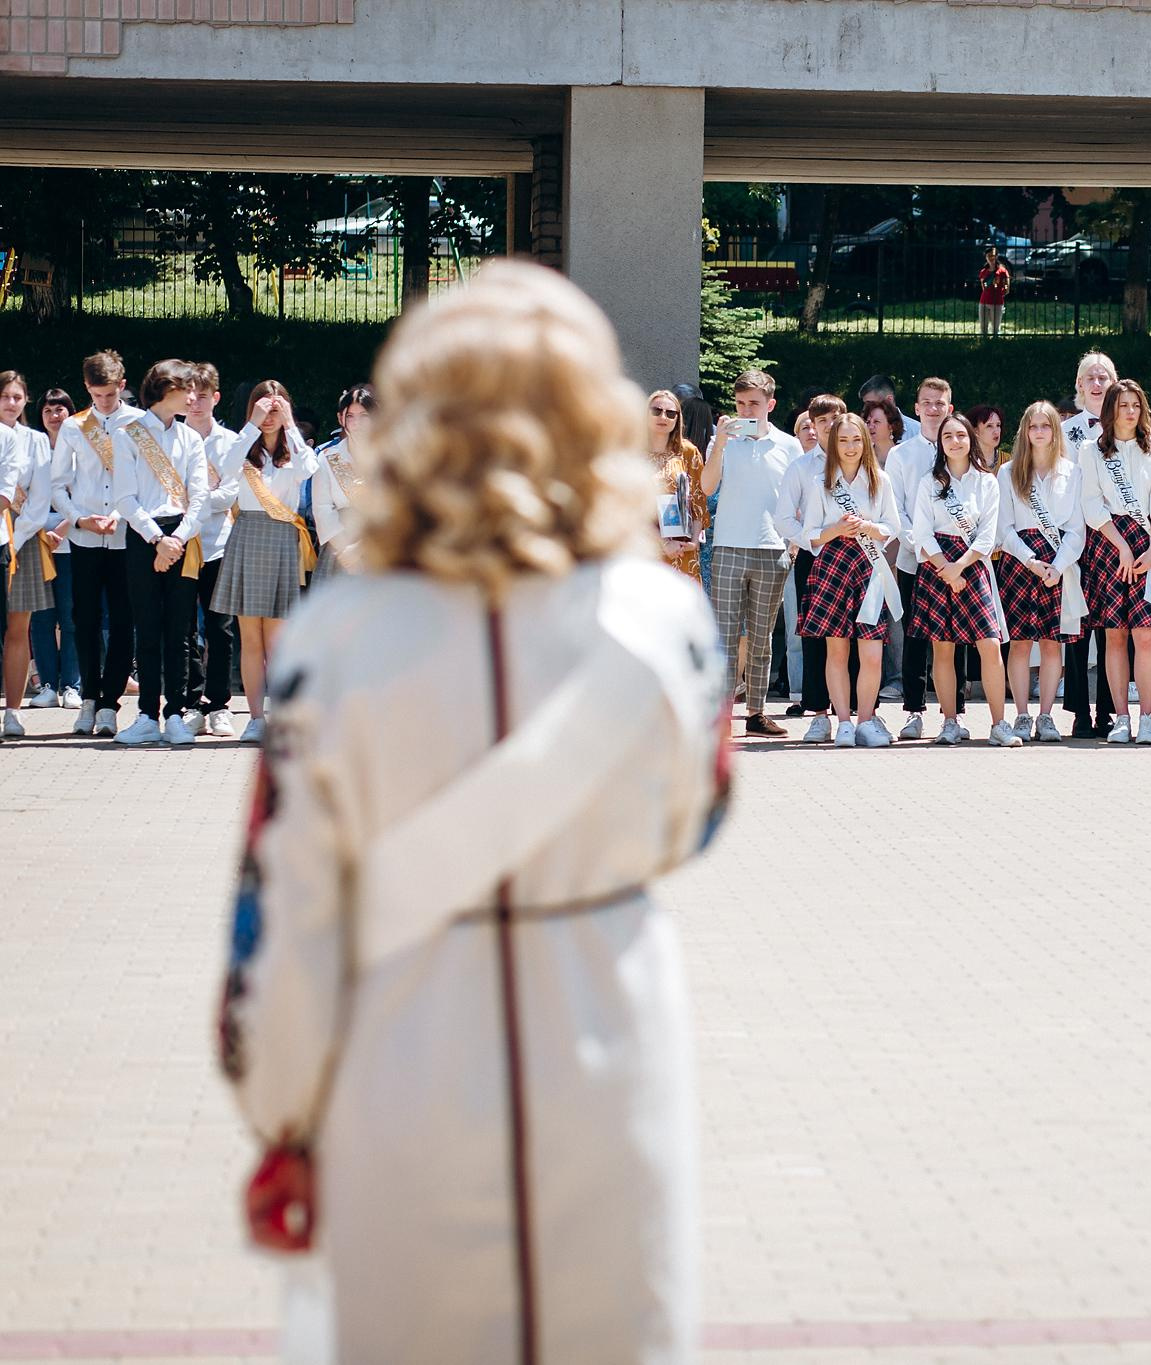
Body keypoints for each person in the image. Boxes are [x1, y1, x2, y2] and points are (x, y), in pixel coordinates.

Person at [217, 262, 729, 1364]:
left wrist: (279, 1116)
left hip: (401, 1058)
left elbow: (284, 915)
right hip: (611, 1037)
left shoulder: (335, 639)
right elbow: (699, 818)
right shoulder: (669, 620)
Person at [211, 382, 319, 745]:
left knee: (277, 638)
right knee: (249, 637)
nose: (270, 416)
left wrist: (290, 424)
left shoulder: (295, 450)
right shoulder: (242, 446)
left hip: (281, 538)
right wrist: (253, 424)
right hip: (247, 535)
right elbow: (225, 467)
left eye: (276, 409)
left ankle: (283, 715)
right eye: (264, 409)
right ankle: (255, 717)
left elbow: (309, 468)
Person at [109, 361, 208, 747]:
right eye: (188, 389)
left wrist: (178, 538)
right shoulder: (128, 435)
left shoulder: (190, 438)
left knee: (180, 631)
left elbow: (198, 497)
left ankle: (177, 715)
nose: (194, 397)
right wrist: (156, 540)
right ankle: (147, 714)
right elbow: (125, 498)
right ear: (168, 389)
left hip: (181, 535)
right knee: (147, 627)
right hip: (144, 535)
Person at [702, 368, 803, 736]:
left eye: (754, 404)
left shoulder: (790, 445)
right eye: (741, 403)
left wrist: (791, 545)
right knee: (725, 636)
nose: (746, 410)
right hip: (728, 545)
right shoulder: (723, 440)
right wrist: (722, 445)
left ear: (770, 405)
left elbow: (798, 498)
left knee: (761, 638)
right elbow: (707, 485)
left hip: (772, 548)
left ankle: (757, 711)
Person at [907, 413, 1015, 746]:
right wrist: (945, 567)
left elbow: (987, 535)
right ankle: (950, 722)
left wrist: (960, 567)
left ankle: (999, 725)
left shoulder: (987, 482)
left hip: (973, 565)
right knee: (942, 648)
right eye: (948, 436)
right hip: (938, 564)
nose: (956, 441)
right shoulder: (930, 482)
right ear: (941, 443)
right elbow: (921, 531)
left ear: (971, 440)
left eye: (961, 436)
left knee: (990, 645)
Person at [800, 412, 905, 747]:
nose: (849, 446)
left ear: (866, 441)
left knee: (872, 653)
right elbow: (809, 534)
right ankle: (843, 722)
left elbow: (893, 526)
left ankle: (865, 721)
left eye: (856, 439)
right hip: (833, 565)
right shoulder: (821, 482)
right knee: (837, 651)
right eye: (842, 440)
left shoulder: (880, 481)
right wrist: (834, 530)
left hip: (869, 567)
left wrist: (870, 528)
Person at [54, 350, 141, 737]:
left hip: (125, 536)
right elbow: (59, 485)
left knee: (124, 621)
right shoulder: (75, 427)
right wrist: (78, 518)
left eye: (109, 394)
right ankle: (89, 695)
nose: (103, 402)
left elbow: (144, 481)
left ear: (121, 386)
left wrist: (122, 516)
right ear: (87, 388)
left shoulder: (139, 424)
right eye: (96, 394)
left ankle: (110, 703)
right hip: (85, 535)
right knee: (84, 619)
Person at [1078, 377, 1151, 745]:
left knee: (1145, 636)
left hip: (1148, 541)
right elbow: (1090, 502)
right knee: (1113, 636)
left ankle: (1147, 717)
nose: (1130, 412)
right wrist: (1121, 545)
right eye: (1123, 405)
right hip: (1109, 543)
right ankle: (1121, 718)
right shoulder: (1092, 450)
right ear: (1110, 409)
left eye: (1135, 405)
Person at [995, 400, 1084, 743]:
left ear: (1055, 430)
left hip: (1058, 565)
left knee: (1051, 645)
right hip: (1021, 563)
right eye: (1033, 426)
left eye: (1046, 425)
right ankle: (1020, 714)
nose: (1040, 432)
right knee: (1019, 644)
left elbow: (1077, 529)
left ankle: (1046, 715)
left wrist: (1058, 566)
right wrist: (1029, 560)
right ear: (1025, 432)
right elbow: (1004, 528)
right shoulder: (1009, 472)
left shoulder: (1072, 472)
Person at [884, 376, 953, 740]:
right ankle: (913, 710)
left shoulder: (960, 448)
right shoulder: (901, 455)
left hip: (955, 562)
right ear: (916, 408)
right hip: (915, 559)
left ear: (950, 408)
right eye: (927, 402)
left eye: (940, 403)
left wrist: (947, 554)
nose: (933, 408)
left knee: (953, 639)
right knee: (915, 636)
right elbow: (895, 509)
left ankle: (951, 714)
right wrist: (922, 547)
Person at [782, 394, 853, 732]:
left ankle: (856, 711)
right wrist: (811, 540)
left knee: (857, 633)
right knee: (816, 637)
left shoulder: (859, 462)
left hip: (857, 560)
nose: (828, 426)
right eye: (821, 421)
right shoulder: (801, 467)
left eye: (834, 418)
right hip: (815, 559)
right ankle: (820, 713)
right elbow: (783, 518)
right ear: (812, 425)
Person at [183, 364, 242, 738]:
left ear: (215, 398)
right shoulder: (172, 440)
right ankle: (191, 702)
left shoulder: (231, 442)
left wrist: (194, 499)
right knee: (185, 629)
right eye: (190, 396)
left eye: (203, 395)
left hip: (219, 544)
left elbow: (229, 494)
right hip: (182, 545)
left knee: (221, 629)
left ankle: (219, 704)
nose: (196, 403)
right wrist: (205, 497)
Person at [1061, 351, 1117, 738]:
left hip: (1116, 537)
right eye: (1090, 379)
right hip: (1077, 536)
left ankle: (1110, 711)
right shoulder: (1066, 431)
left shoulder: (1128, 426)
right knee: (1078, 624)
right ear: (1079, 385)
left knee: (1114, 627)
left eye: (1104, 378)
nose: (1097, 385)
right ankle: (1080, 710)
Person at [2, 371, 58, 739]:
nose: (10, 403)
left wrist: (15, 538)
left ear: (26, 401)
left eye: (17, 397)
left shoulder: (36, 441)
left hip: (21, 537)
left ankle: (14, 710)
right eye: (4, 396)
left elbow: (40, 498)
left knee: (18, 629)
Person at [28, 388, 81, 709]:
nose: (54, 416)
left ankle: (72, 684)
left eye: (60, 409)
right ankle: (47, 684)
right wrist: (39, 531)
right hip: (37, 544)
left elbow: (88, 495)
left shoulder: (80, 446)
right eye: (48, 411)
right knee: (42, 618)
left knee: (72, 617)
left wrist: (64, 527)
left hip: (73, 541)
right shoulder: (33, 449)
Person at [309, 385, 375, 587]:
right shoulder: (329, 457)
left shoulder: (388, 458)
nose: (357, 423)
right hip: (339, 545)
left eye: (364, 416)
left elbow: (395, 506)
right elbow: (321, 508)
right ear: (341, 419)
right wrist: (346, 549)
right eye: (350, 416)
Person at [645, 388, 708, 579]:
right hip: (644, 547)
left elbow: (699, 498)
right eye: (656, 410)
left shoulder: (688, 452)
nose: (663, 417)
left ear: (677, 419)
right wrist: (662, 543)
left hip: (682, 548)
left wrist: (695, 541)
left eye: (670, 413)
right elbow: (626, 507)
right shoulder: (632, 451)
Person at [977, 247, 1011, 337]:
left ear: (996, 256)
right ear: (986, 257)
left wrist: (1000, 294)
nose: (991, 258)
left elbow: (1007, 288)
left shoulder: (1003, 271)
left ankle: (995, 344)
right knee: (983, 328)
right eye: (989, 256)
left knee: (996, 329)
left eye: (993, 255)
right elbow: (983, 287)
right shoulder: (983, 272)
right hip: (983, 302)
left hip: (997, 303)